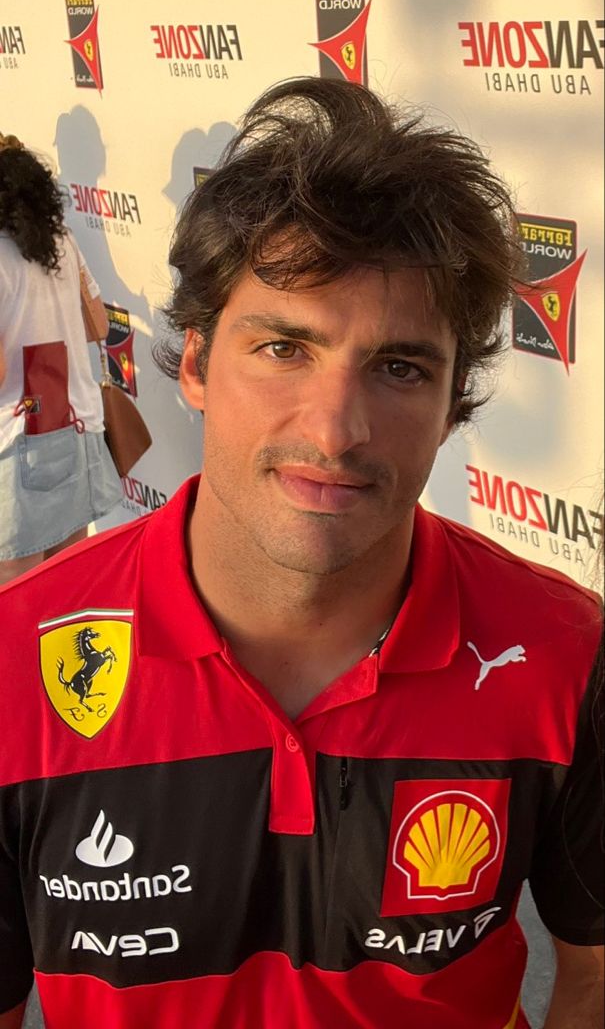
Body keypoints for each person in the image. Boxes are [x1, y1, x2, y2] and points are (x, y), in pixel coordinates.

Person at [0, 80, 602, 1029]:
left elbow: (595, 976)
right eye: (284, 348)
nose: (336, 429)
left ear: (452, 406)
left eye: (399, 367)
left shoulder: (567, 652)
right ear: (194, 365)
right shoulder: (11, 662)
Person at [0, 133, 122, 584]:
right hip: (76, 424)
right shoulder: (62, 241)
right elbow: (100, 327)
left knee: (18, 593)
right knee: (73, 581)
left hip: (17, 442)